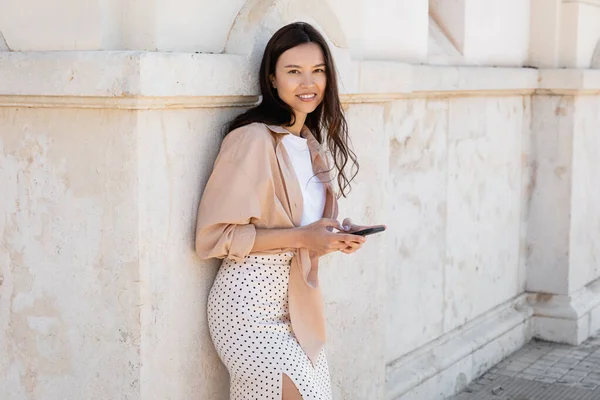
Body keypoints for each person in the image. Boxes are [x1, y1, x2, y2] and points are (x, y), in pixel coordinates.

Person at [195, 22, 379, 400]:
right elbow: (212, 237)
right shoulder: (252, 139)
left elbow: (301, 226)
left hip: (300, 309)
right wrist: (303, 237)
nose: (307, 82)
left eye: (318, 71)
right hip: (247, 309)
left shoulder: (312, 147)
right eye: (294, 71)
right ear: (272, 79)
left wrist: (334, 234)